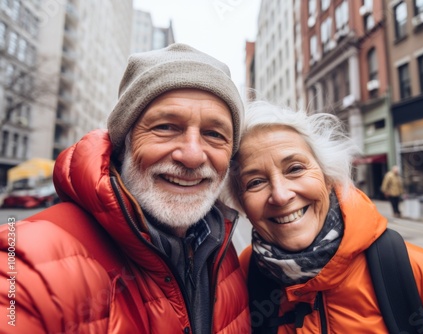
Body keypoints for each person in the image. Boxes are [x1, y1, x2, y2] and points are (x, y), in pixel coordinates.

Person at [0, 44, 250, 333]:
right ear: (123, 144)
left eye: (214, 134)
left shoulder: (225, 254)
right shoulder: (25, 262)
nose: (193, 155)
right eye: (166, 127)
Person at [222, 101, 423, 333]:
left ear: (328, 178)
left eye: (294, 168)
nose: (281, 195)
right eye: (255, 182)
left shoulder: (417, 273)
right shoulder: (240, 274)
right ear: (242, 204)